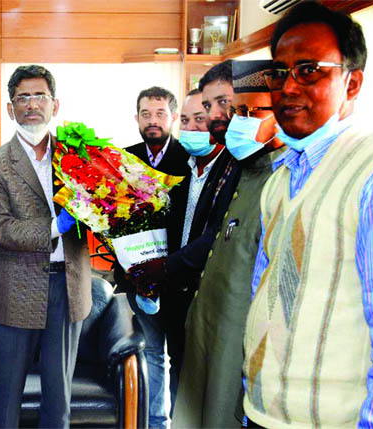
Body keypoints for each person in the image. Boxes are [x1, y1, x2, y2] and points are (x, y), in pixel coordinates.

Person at [243, 3, 373, 427]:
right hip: (263, 412)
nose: (289, 87)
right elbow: (264, 292)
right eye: (279, 72)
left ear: (352, 83)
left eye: (309, 70)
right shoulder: (278, 179)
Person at [0, 65, 91, 428]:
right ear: (10, 108)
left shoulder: (80, 158)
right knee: (7, 396)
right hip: (16, 291)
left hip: (69, 289)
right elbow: (2, 228)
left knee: (58, 399)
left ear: (54, 105)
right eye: (22, 97)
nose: (31, 104)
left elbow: (100, 209)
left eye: (39, 96)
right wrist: (55, 227)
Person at [173, 60, 285, 429]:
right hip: (208, 338)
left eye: (250, 111)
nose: (231, 120)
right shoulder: (246, 168)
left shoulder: (284, 180)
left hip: (242, 357)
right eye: (235, 110)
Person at [127, 63, 240, 419]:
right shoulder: (191, 166)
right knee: (153, 356)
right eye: (188, 121)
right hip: (154, 280)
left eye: (199, 119)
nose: (193, 127)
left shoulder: (229, 166)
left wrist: (162, 268)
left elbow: (214, 236)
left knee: (187, 371)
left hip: (194, 287)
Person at [112, 86, 189, 428]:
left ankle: (181, 420)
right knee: (152, 353)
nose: (153, 121)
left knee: (182, 359)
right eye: (146, 114)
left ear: (172, 117)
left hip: (180, 279)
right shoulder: (121, 160)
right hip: (138, 278)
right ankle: (155, 422)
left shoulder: (190, 158)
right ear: (137, 118)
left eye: (160, 114)